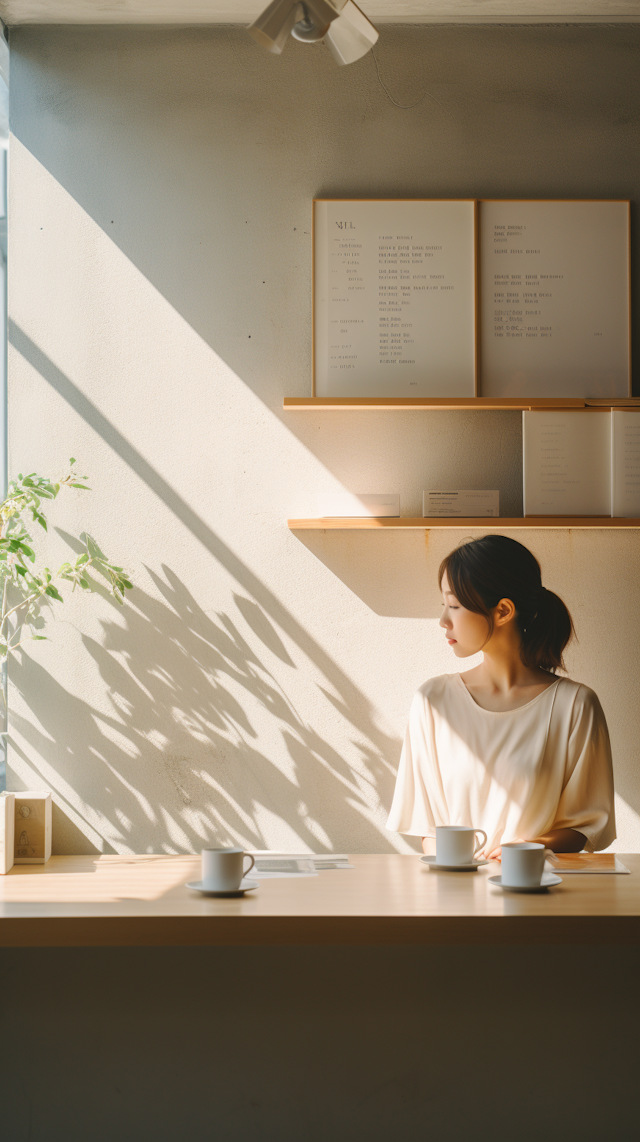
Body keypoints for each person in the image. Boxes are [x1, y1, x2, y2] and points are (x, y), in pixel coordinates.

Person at [387, 534, 615, 858]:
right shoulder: (432, 701)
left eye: (454, 605)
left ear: (503, 611)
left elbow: (585, 825)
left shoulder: (575, 706)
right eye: (444, 605)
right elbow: (429, 828)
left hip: (536, 894)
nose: (443, 620)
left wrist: (526, 850)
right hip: (453, 897)